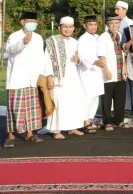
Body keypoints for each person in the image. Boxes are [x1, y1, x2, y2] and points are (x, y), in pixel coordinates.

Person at [4, 11, 45, 147]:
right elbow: (11, 49)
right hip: (17, 77)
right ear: (22, 22)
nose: (32, 24)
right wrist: (23, 41)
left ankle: (30, 134)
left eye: (34, 22)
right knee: (14, 108)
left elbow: (41, 57)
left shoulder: (38, 38)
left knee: (32, 108)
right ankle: (10, 135)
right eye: (29, 21)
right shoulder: (15, 36)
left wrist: (42, 74)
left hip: (32, 78)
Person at [44, 16, 87, 139]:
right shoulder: (52, 41)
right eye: (65, 27)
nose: (67, 29)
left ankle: (72, 127)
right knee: (58, 102)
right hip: (57, 78)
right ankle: (55, 130)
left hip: (73, 77)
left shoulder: (75, 42)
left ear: (73, 28)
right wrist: (49, 76)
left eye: (70, 27)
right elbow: (47, 60)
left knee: (73, 102)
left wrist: (78, 60)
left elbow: (80, 60)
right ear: (59, 28)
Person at [97, 15, 128, 131]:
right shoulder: (103, 37)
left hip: (120, 73)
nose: (114, 26)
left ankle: (119, 120)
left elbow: (123, 54)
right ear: (107, 25)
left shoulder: (120, 35)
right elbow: (101, 56)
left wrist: (125, 68)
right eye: (112, 24)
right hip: (109, 73)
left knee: (120, 99)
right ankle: (107, 121)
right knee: (107, 99)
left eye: (116, 23)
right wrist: (106, 70)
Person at [76, 15, 105, 133]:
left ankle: (90, 119)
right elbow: (82, 57)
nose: (93, 27)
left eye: (95, 24)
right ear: (85, 26)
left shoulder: (98, 37)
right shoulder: (82, 39)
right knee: (87, 98)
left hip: (97, 73)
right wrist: (94, 62)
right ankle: (85, 122)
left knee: (95, 98)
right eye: (90, 25)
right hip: (86, 73)